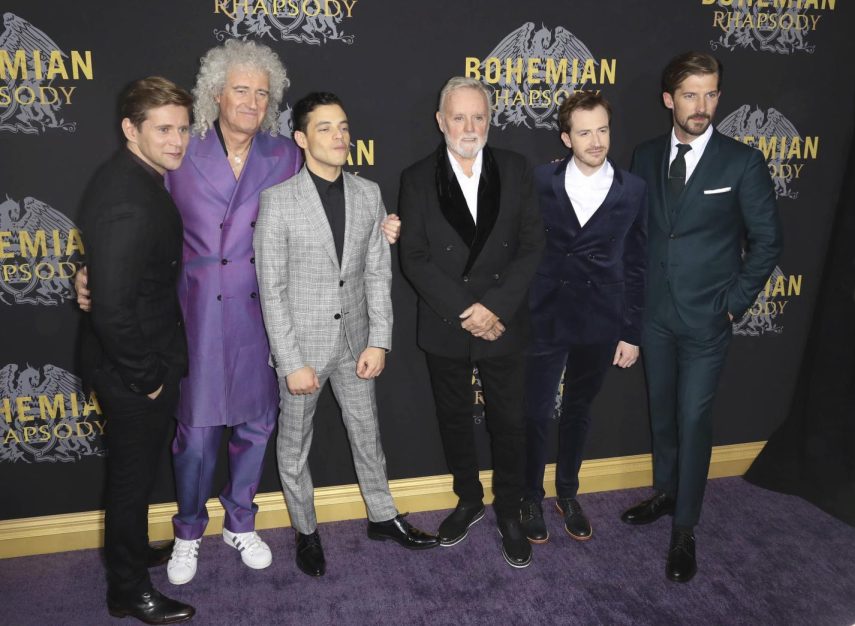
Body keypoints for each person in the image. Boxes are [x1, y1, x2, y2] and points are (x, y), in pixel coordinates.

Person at [75, 40, 400, 586]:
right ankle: (187, 529)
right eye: (240, 90)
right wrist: (95, 274)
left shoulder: (283, 154)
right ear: (216, 95)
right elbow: (135, 226)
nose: (251, 101)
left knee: (256, 425)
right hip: (194, 310)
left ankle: (241, 521)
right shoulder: (181, 148)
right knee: (197, 433)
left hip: (264, 309)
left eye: (262, 93)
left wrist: (382, 227)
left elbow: (328, 198)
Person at [254, 92, 438, 578]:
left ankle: (382, 515)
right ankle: (306, 530)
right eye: (325, 128)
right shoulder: (277, 202)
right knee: (294, 446)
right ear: (301, 138)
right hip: (303, 353)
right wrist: (290, 361)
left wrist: (380, 339)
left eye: (343, 126)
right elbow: (270, 290)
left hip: (357, 344)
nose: (339, 136)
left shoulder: (368, 193)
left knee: (368, 435)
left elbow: (378, 274)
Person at [622, 51, 782, 582]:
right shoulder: (644, 156)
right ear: (669, 99)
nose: (703, 106)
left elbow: (767, 242)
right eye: (691, 94)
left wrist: (733, 304)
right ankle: (666, 493)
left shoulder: (742, 162)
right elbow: (638, 234)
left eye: (711, 93)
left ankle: (684, 529)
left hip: (707, 320)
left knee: (693, 419)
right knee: (662, 413)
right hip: (654, 316)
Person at [398, 77, 545, 568]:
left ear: (490, 120)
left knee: (509, 422)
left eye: (478, 117)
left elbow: (531, 247)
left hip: (502, 321)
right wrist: (467, 311)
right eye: (458, 117)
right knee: (454, 418)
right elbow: (415, 258)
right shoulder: (417, 177)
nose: (469, 126)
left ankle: (508, 509)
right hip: (447, 321)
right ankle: (468, 498)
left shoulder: (517, 169)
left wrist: (494, 309)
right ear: (440, 121)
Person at [78, 76, 194, 624]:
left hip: (136, 359)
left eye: (183, 129)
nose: (176, 140)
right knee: (129, 482)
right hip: (133, 369)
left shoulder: (138, 177)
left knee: (139, 475)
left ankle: (133, 554)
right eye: (163, 129)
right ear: (131, 129)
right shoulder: (128, 195)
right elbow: (112, 310)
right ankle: (127, 590)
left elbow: (109, 283)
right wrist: (146, 376)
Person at [521, 92, 647, 544]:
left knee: (579, 410)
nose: (596, 141)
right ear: (566, 137)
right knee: (534, 411)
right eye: (584, 132)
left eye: (603, 130)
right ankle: (530, 496)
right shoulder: (539, 180)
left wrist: (631, 331)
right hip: (545, 314)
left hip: (601, 318)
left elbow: (636, 264)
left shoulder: (633, 189)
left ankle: (568, 492)